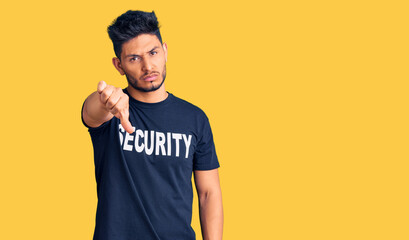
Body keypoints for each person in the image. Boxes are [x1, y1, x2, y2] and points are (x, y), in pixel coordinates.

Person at [81, 10, 223, 240]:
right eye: (134, 58)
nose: (148, 66)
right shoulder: (111, 113)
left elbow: (208, 193)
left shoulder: (195, 118)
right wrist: (106, 100)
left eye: (153, 52)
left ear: (165, 51)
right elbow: (92, 112)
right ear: (119, 66)